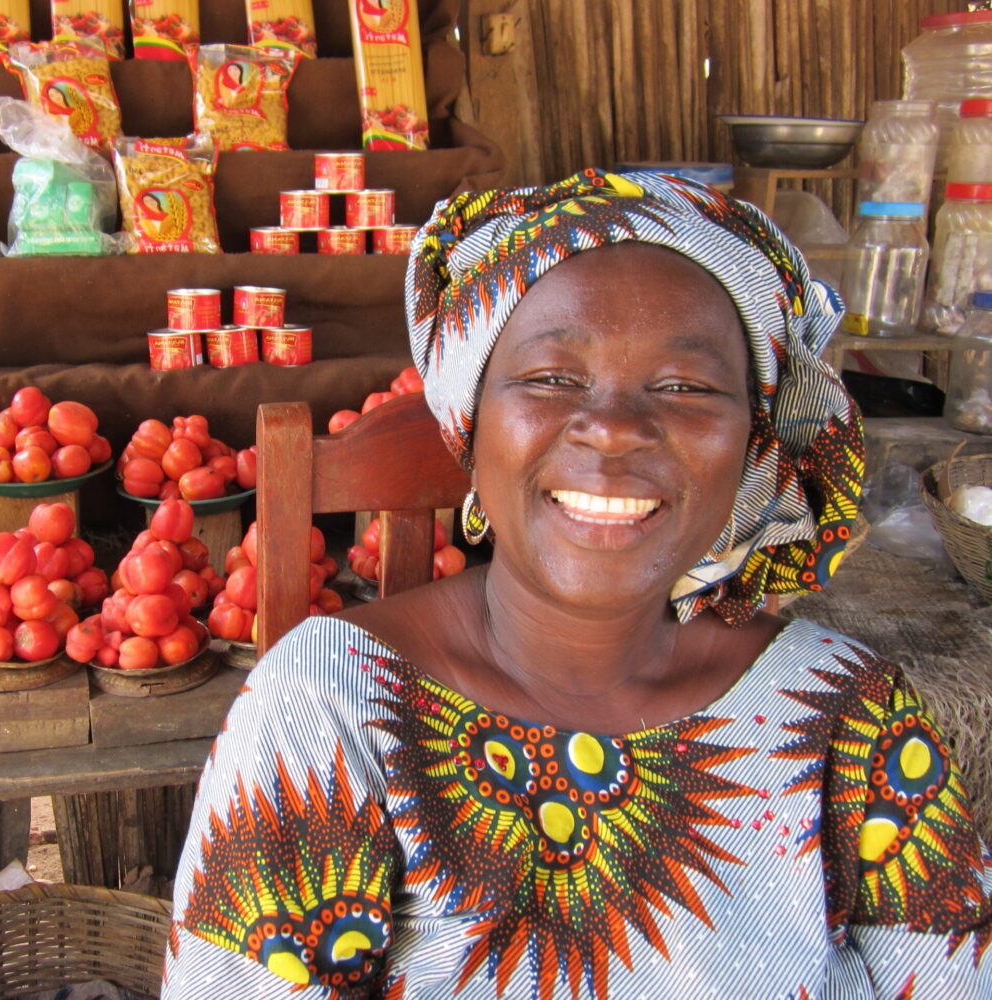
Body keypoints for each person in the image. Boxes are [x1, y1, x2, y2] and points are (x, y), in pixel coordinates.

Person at [160, 170, 992, 999]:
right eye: (552, 378)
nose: (615, 429)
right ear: (470, 424)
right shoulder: (328, 712)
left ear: (751, 448)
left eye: (685, 387)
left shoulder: (846, 714)